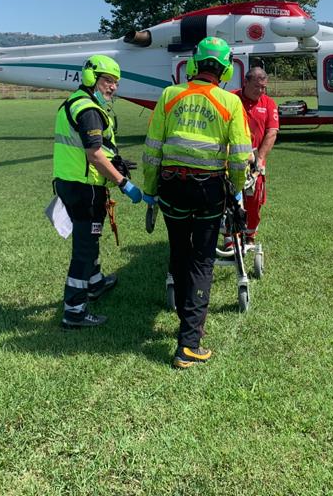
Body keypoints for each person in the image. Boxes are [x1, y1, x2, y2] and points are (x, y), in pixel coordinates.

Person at [141, 37, 252, 369]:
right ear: (227, 70)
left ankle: (183, 311)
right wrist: (234, 191)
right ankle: (188, 344)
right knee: (203, 260)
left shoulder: (169, 95)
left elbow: (152, 149)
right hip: (208, 191)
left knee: (179, 250)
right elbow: (240, 158)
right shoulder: (229, 103)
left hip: (171, 188)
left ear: (194, 64)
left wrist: (149, 190)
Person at [53, 55, 142, 328]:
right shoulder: (89, 109)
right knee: (84, 247)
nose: (113, 87)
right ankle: (74, 311)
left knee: (89, 238)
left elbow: (97, 148)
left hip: (71, 182)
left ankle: (95, 282)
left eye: (115, 82)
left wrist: (115, 159)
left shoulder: (76, 101)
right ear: (92, 79)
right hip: (85, 188)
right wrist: (123, 183)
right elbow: (94, 155)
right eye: (107, 81)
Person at [231, 65, 279, 247]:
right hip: (231, 158)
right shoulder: (231, 98)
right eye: (257, 86)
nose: (260, 91)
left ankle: (250, 236)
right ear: (245, 82)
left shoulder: (268, 104)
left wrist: (260, 159)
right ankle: (230, 236)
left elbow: (271, 132)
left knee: (253, 200)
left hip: (255, 161)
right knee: (229, 198)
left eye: (264, 87)